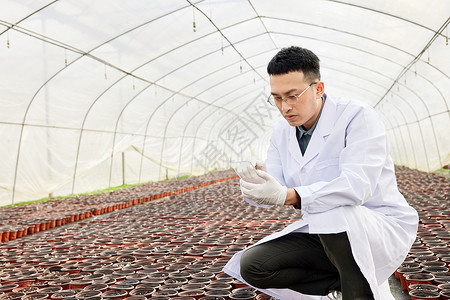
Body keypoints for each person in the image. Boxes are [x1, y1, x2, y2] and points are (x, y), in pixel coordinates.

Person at [223, 46, 418, 300]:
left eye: (292, 96)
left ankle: (357, 290)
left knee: (333, 209)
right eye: (277, 98)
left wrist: (291, 196)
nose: (285, 107)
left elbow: (357, 186)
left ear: (318, 88)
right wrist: (256, 179)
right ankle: (347, 282)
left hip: (376, 226)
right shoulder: (282, 132)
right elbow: (277, 186)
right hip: (323, 233)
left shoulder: (357, 117)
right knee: (254, 265)